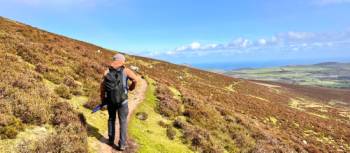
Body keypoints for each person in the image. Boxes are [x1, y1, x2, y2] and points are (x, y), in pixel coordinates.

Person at [100, 53, 138, 151]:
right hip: (123, 101)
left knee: (111, 119)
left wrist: (103, 100)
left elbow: (102, 88)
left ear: (114, 60)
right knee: (123, 122)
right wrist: (131, 88)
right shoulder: (126, 70)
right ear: (122, 61)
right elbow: (135, 80)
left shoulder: (106, 72)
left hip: (110, 100)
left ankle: (111, 140)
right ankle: (122, 144)